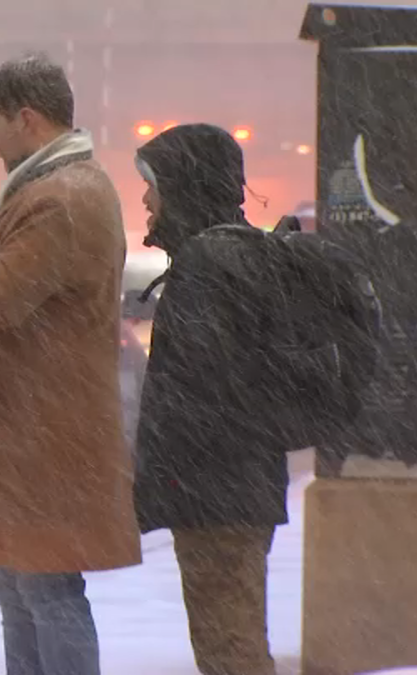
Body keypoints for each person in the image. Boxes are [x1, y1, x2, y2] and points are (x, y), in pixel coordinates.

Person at [0, 52, 141, 675]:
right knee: (20, 589)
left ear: (29, 119)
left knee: (44, 590)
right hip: (26, 424)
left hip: (43, 427)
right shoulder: (56, 187)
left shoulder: (59, 199)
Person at [132, 123, 288, 675]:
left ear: (185, 186)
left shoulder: (210, 268)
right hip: (234, 490)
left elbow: (207, 394)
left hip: (218, 497)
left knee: (230, 651)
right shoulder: (231, 254)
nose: (145, 197)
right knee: (231, 643)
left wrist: (165, 477)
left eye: (153, 184)